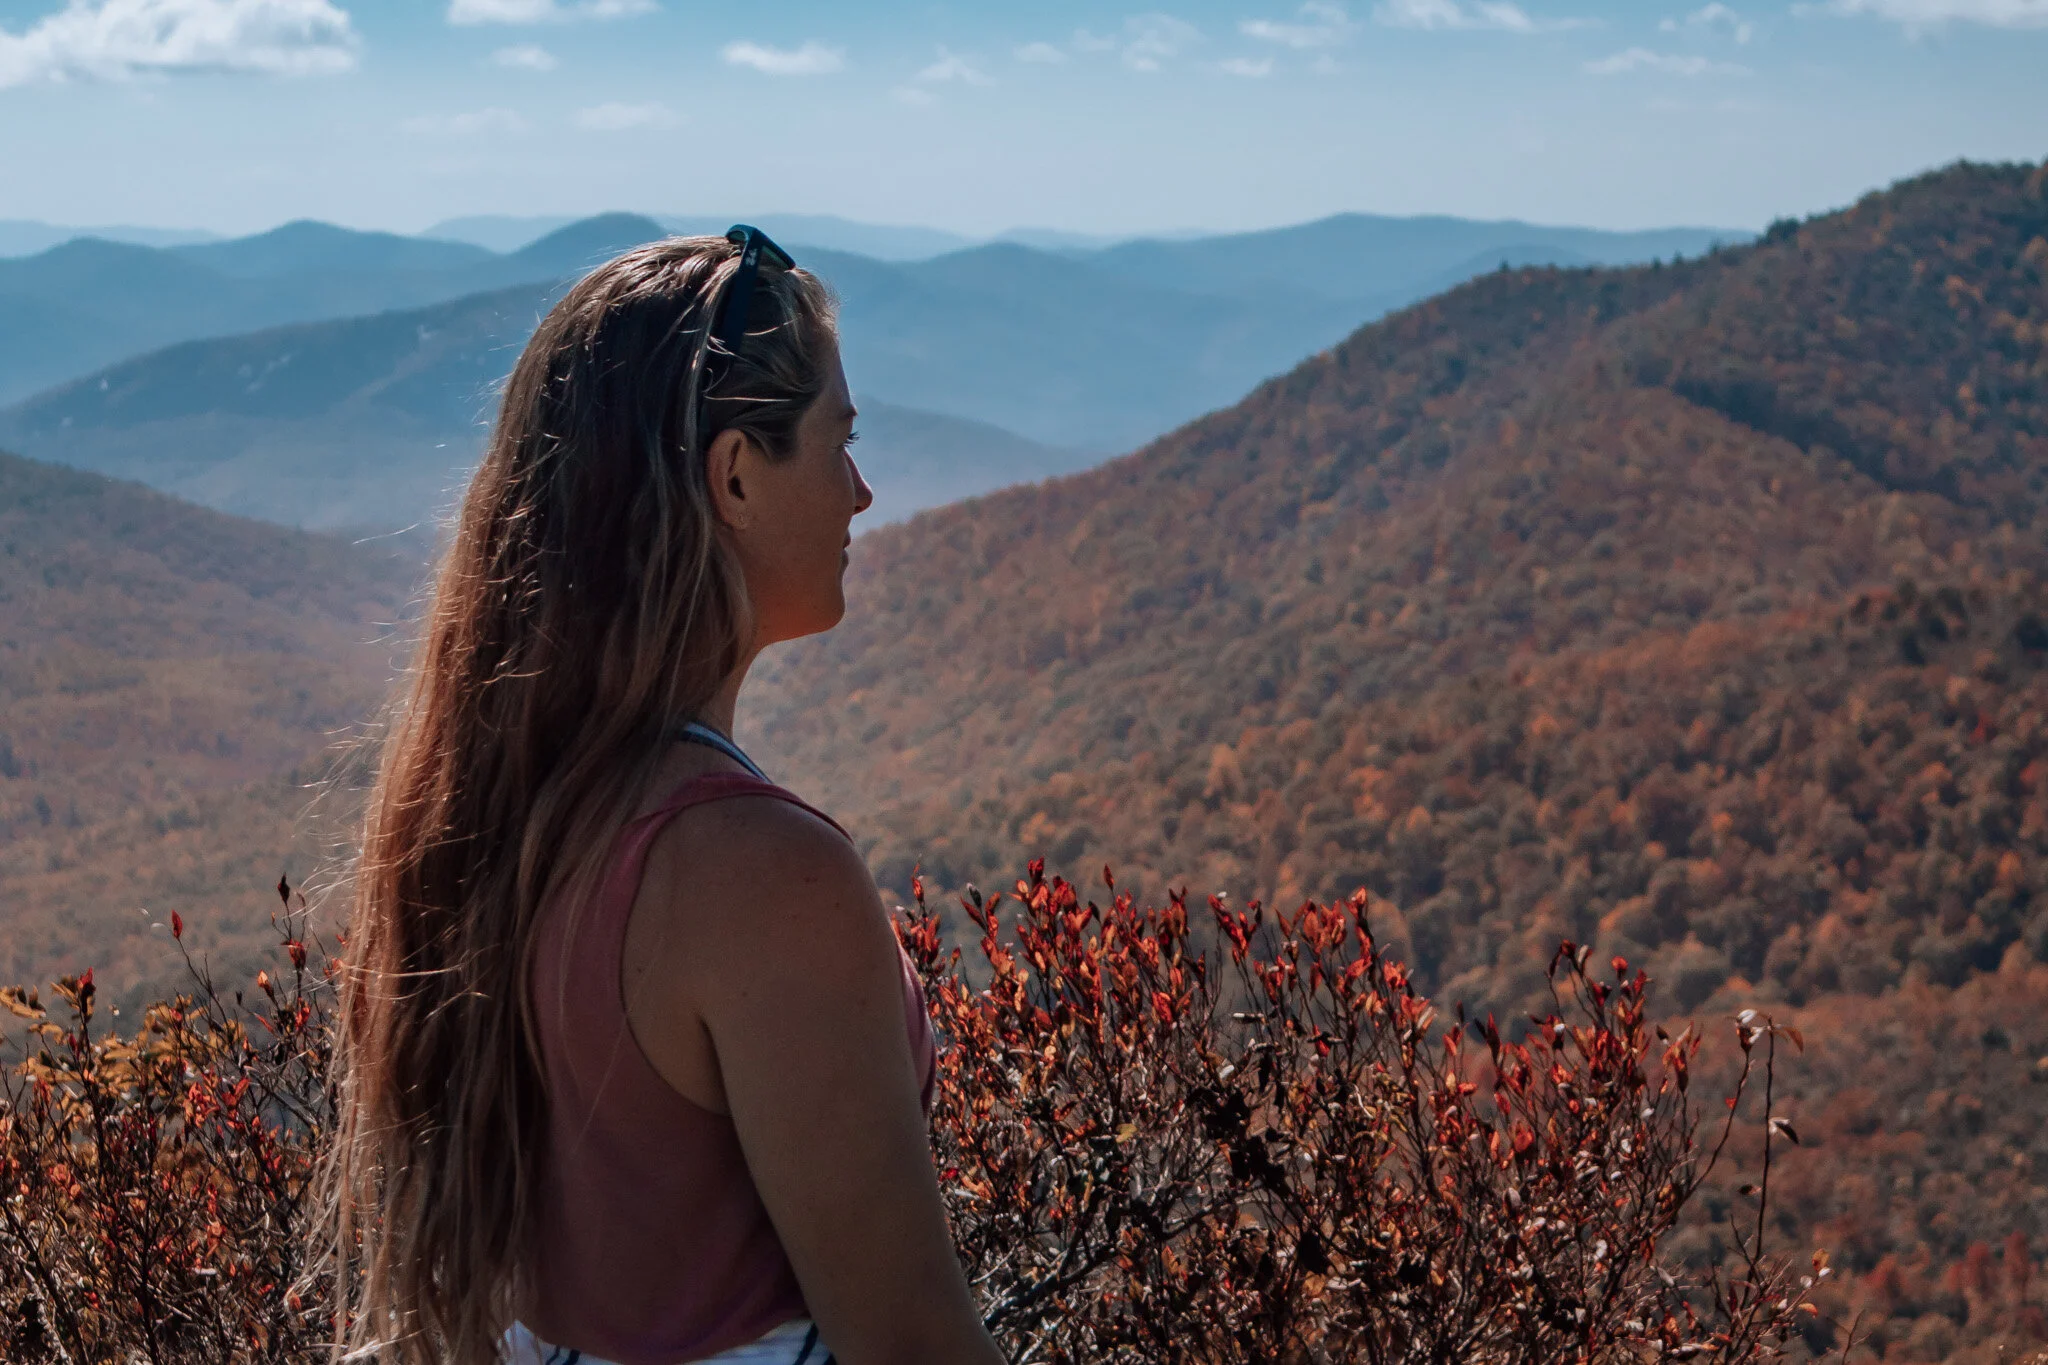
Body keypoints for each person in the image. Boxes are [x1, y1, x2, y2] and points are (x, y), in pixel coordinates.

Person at [320, 228, 1010, 1365]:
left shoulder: (498, 812)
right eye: (838, 442)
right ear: (734, 475)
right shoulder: (759, 876)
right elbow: (910, 1342)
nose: (861, 491)